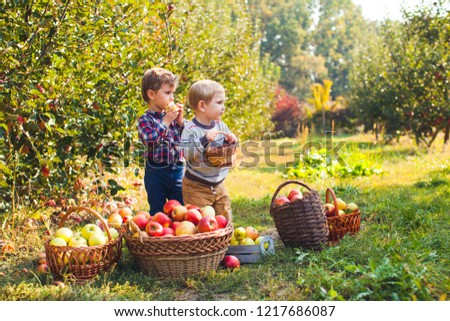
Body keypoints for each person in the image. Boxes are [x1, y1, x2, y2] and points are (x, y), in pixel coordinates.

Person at [181, 80, 238, 217]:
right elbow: (186, 153)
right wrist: (204, 140)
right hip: (196, 186)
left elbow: (232, 145)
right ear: (202, 105)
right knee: (199, 221)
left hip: (218, 184)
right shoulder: (190, 129)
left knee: (224, 217)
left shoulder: (220, 125)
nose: (223, 107)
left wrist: (233, 140)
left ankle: (226, 238)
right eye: (219, 103)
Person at [137, 68, 185, 215]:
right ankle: (159, 237)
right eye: (167, 93)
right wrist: (165, 122)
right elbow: (149, 140)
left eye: (173, 93)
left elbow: (188, 139)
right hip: (156, 172)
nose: (172, 98)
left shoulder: (173, 117)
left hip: (178, 170)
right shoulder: (145, 120)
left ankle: (178, 237)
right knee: (157, 211)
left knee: (179, 211)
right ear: (151, 94)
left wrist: (181, 123)